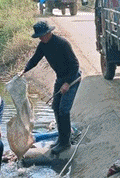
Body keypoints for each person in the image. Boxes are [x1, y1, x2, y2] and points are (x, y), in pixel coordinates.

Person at [21, 20, 80, 155]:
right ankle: (61, 138)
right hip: (60, 78)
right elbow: (35, 59)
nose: (41, 38)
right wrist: (24, 70)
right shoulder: (43, 46)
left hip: (72, 78)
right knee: (55, 107)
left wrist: (67, 83)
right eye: (39, 37)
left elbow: (75, 65)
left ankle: (65, 143)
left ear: (48, 33)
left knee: (64, 110)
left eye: (42, 36)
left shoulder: (62, 43)